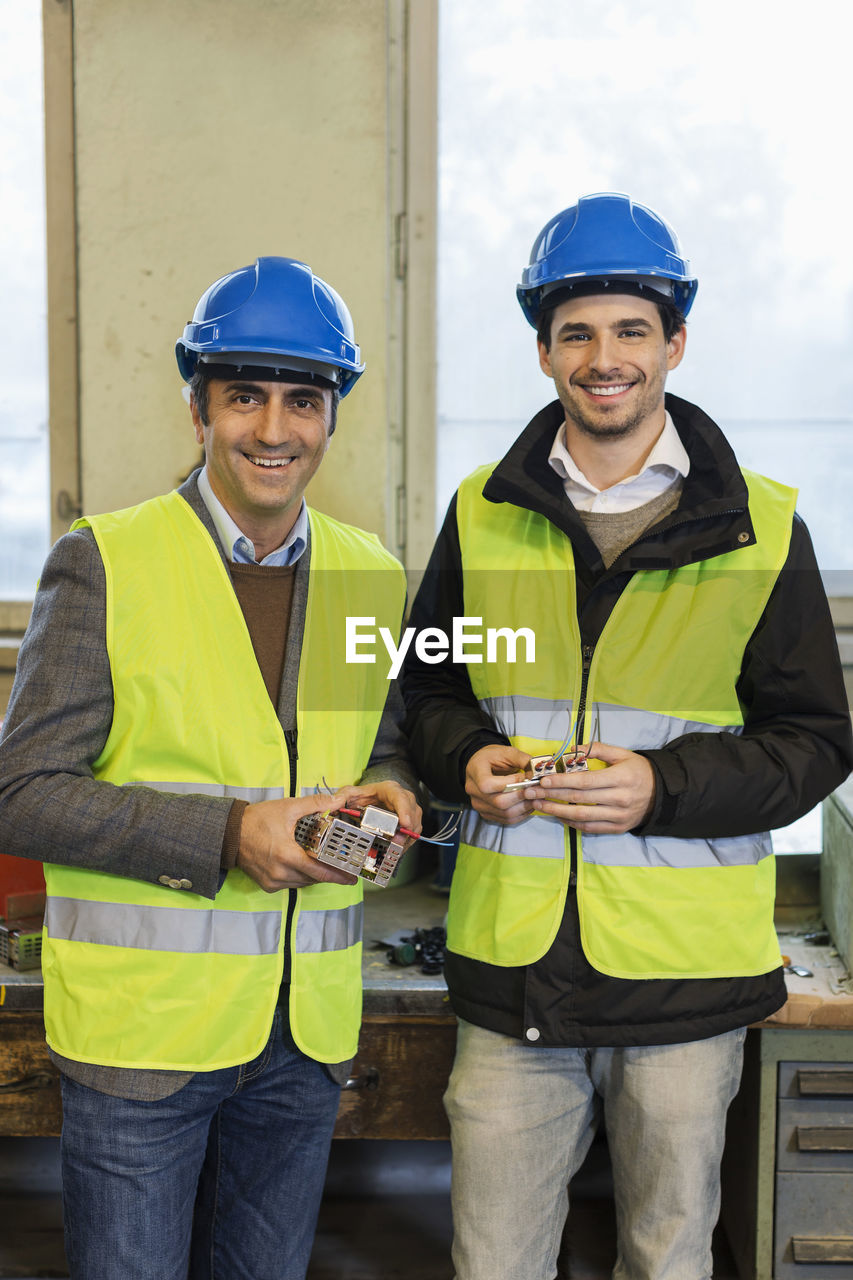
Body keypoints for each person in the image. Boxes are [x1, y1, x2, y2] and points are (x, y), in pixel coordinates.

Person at [401, 193, 853, 1280]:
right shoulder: (482, 509)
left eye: (630, 330)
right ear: (546, 350)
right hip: (512, 971)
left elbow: (814, 740)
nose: (604, 357)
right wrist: (464, 757)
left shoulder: (763, 523)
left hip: (682, 977)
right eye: (577, 333)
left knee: (665, 1256)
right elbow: (425, 689)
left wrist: (664, 784)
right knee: (493, 1262)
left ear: (674, 341)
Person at [0, 255, 420, 1280]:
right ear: (199, 407)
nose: (274, 429)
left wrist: (395, 795)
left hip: (303, 1034)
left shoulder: (370, 574)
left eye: (302, 399)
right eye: (245, 396)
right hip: (144, 1040)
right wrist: (232, 834)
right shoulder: (107, 561)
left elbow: (383, 745)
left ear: (331, 414)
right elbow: (23, 791)